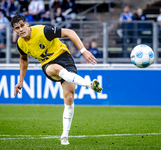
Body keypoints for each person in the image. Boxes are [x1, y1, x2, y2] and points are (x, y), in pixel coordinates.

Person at [11, 14, 103, 145]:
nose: (20, 30)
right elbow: (23, 60)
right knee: (56, 69)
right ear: (14, 30)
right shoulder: (20, 44)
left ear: (27, 24)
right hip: (49, 65)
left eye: (21, 26)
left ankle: (64, 136)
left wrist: (84, 51)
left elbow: (69, 32)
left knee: (69, 98)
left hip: (65, 58)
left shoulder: (43, 31)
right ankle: (89, 84)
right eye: (16, 28)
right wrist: (21, 81)